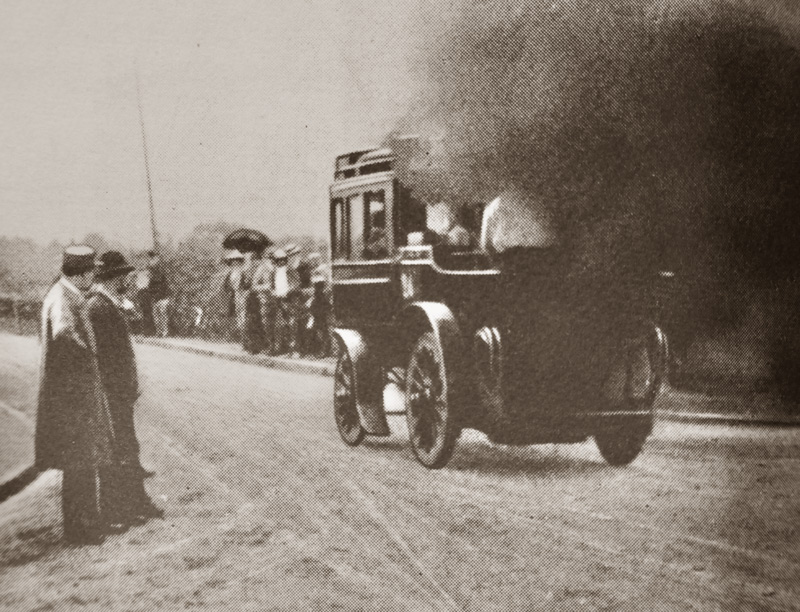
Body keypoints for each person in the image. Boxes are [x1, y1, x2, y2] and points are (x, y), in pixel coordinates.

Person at [35, 245, 116, 545]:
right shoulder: (63, 297)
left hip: (72, 394)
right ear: (81, 273)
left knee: (78, 463)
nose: (93, 276)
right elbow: (63, 333)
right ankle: (83, 528)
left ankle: (80, 526)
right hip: (72, 396)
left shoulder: (63, 293)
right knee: (80, 461)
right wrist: (87, 356)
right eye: (91, 271)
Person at [87, 252, 162, 528]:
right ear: (114, 278)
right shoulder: (99, 307)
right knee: (120, 448)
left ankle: (136, 503)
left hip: (119, 390)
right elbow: (105, 357)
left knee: (128, 446)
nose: (127, 280)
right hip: (112, 392)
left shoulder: (108, 304)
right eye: (123, 276)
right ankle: (121, 508)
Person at [147, 251, 171, 338]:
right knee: (156, 314)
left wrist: (157, 295)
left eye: (153, 258)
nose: (150, 260)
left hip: (162, 296)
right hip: (156, 296)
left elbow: (161, 284)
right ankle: (159, 332)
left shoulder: (160, 269)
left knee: (162, 313)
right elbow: (151, 285)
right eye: (150, 258)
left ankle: (164, 332)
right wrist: (151, 294)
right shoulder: (152, 271)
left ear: (157, 259)